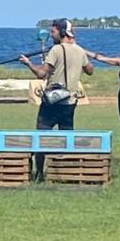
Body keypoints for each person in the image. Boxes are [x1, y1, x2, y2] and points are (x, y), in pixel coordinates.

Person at [19, 19, 95, 178]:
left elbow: (41, 73)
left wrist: (27, 63)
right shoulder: (80, 50)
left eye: (53, 32)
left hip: (52, 102)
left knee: (41, 135)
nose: (51, 35)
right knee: (67, 137)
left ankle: (39, 173)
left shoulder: (56, 50)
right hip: (70, 102)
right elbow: (90, 70)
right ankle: (66, 173)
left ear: (61, 33)